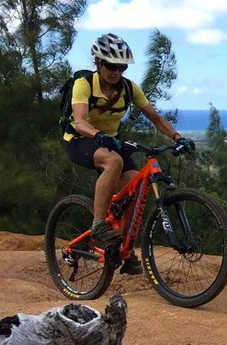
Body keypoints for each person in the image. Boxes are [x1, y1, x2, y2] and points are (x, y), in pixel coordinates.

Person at [62, 33, 195, 274]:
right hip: (80, 140)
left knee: (136, 188)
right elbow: (79, 121)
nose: (117, 72)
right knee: (113, 162)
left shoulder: (128, 88)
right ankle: (99, 225)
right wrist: (97, 135)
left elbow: (155, 118)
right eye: (112, 66)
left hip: (109, 142)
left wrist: (178, 137)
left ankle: (123, 250)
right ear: (98, 63)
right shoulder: (84, 84)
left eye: (122, 67)